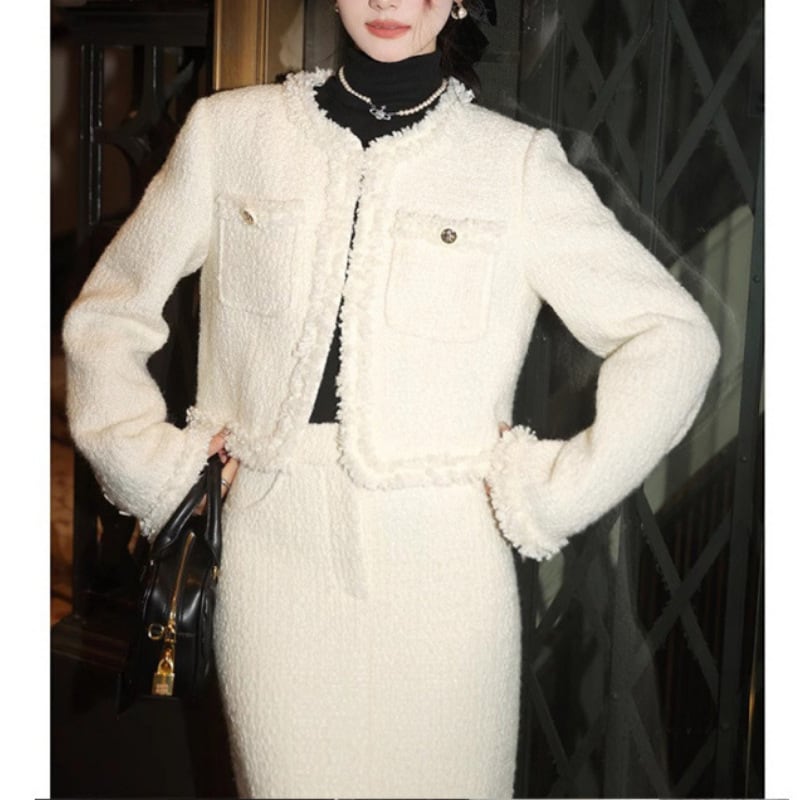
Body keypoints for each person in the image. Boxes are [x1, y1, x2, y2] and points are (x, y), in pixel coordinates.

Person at [63, 0, 720, 797]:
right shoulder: (229, 134)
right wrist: (157, 470)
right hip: (274, 570)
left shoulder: (513, 165)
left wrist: (549, 492)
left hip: (448, 578)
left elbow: (672, 337)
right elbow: (108, 317)